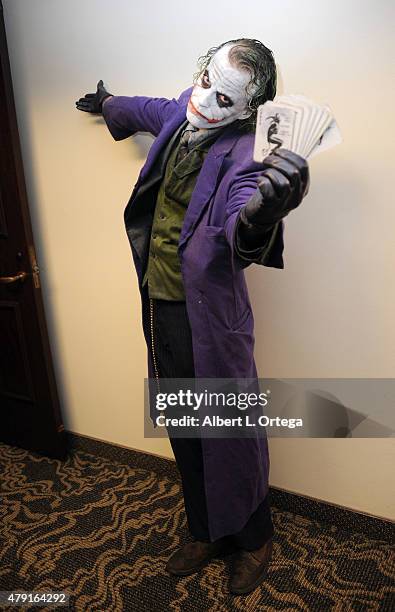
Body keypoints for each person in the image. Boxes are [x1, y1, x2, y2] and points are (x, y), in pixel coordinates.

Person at [76, 38, 309, 595]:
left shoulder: (249, 151)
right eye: (206, 82)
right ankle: (204, 529)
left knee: (229, 430)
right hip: (158, 305)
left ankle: (253, 539)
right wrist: (111, 103)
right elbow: (149, 109)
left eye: (225, 100)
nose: (206, 103)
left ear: (249, 109)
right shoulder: (188, 104)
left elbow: (242, 218)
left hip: (209, 317)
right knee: (183, 424)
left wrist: (262, 214)